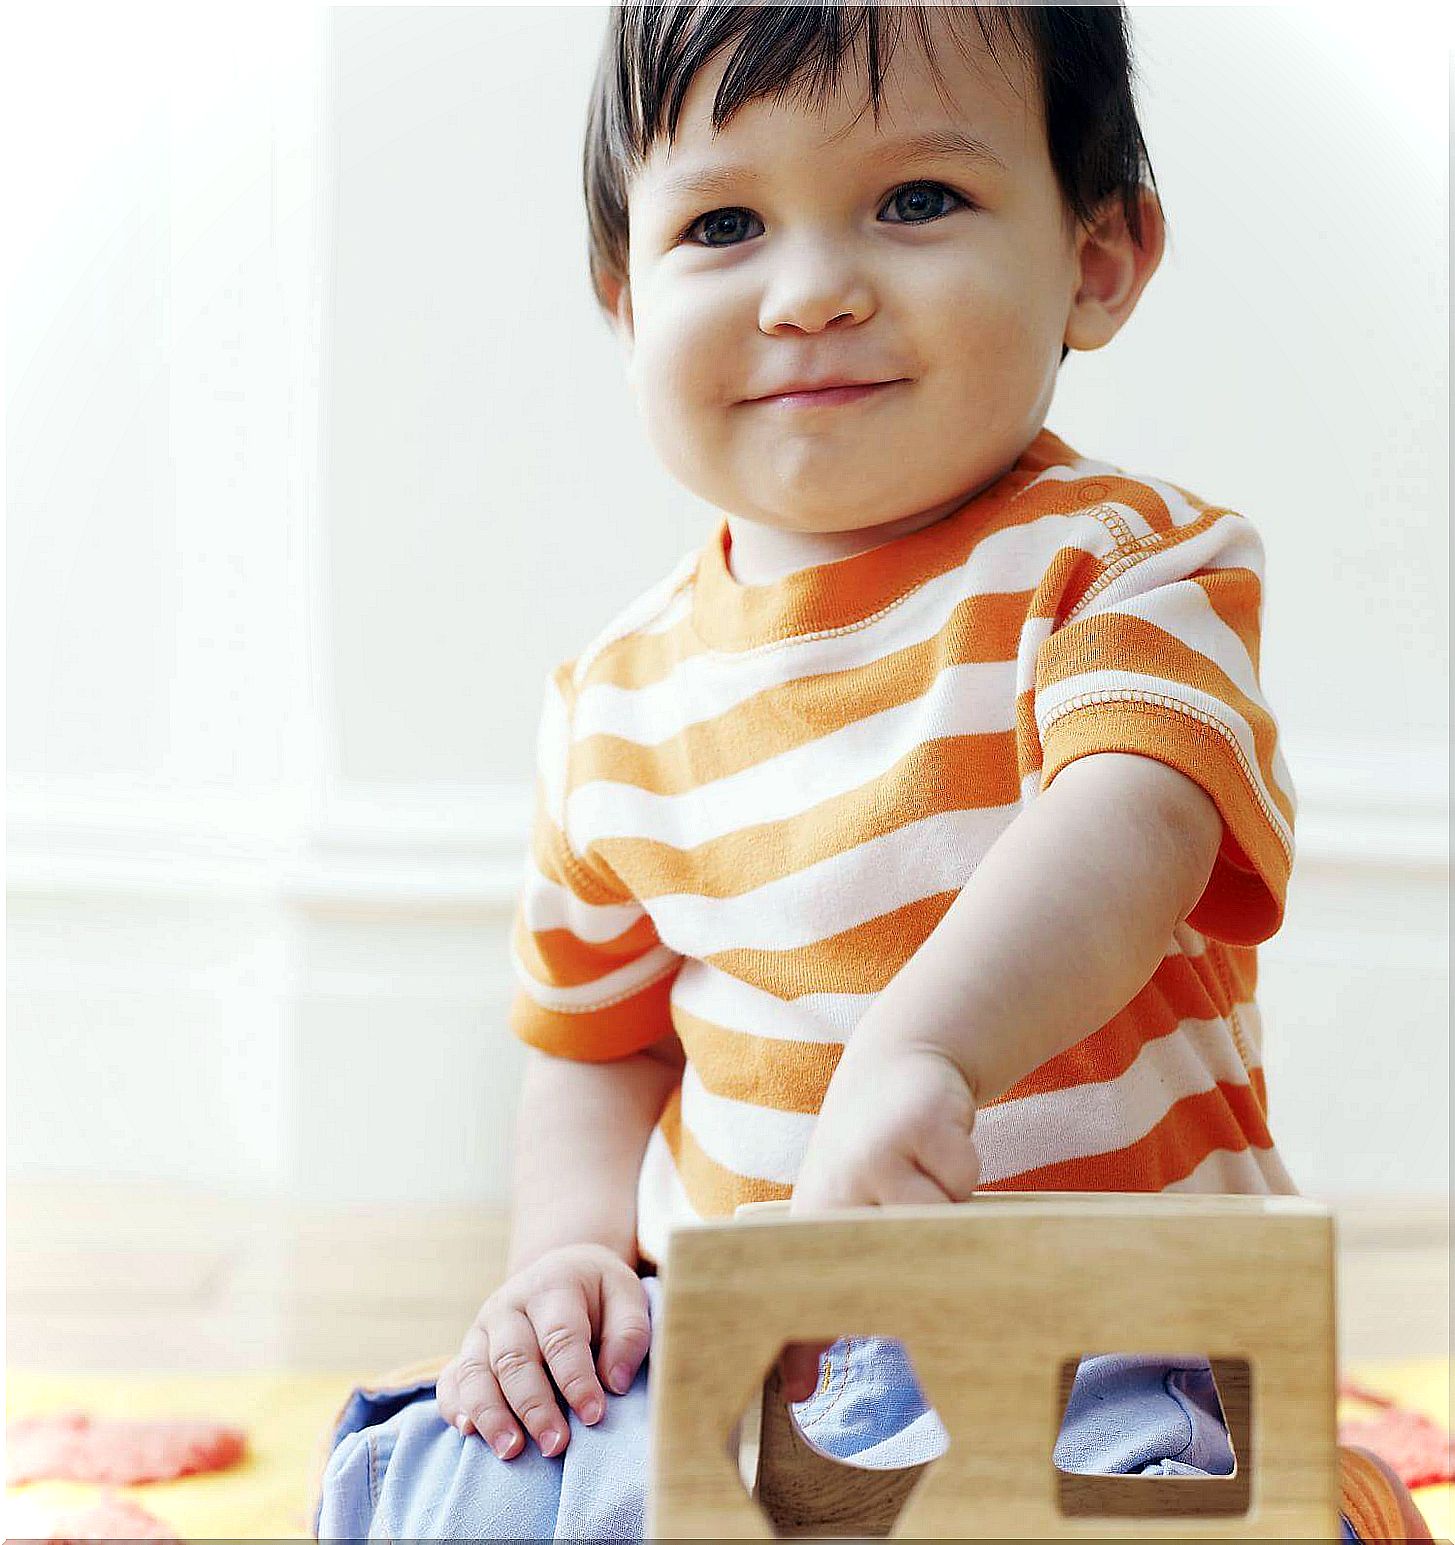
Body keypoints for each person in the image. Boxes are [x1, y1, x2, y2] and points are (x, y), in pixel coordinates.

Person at [312, 5, 1430, 1539]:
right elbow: (596, 1039)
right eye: (723, 223)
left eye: (916, 202)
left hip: (1100, 1334)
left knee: (1156, 1501)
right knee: (457, 1476)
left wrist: (925, 1049)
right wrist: (565, 1254)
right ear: (624, 296)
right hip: (754, 1359)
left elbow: (1139, 812)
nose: (815, 290)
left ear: (1098, 256)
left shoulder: (1125, 566)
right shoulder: (618, 700)